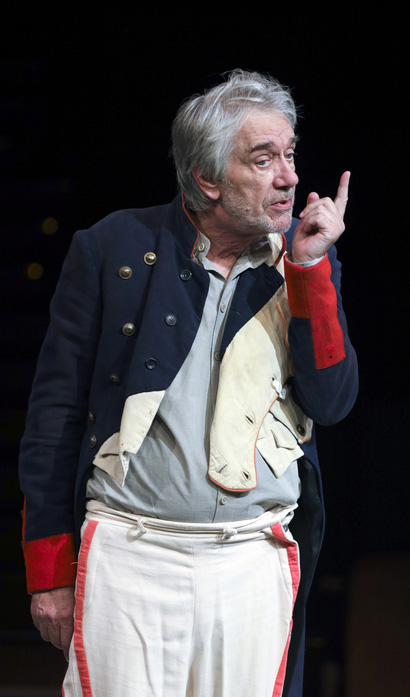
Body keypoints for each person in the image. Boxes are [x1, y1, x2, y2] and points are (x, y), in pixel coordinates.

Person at [19, 69, 358, 697]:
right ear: (207, 178)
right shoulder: (113, 247)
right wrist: (50, 573)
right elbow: (53, 417)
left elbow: (331, 401)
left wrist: (310, 269)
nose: (289, 178)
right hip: (130, 555)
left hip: (253, 557)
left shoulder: (304, 256)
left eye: (290, 156)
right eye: (264, 160)